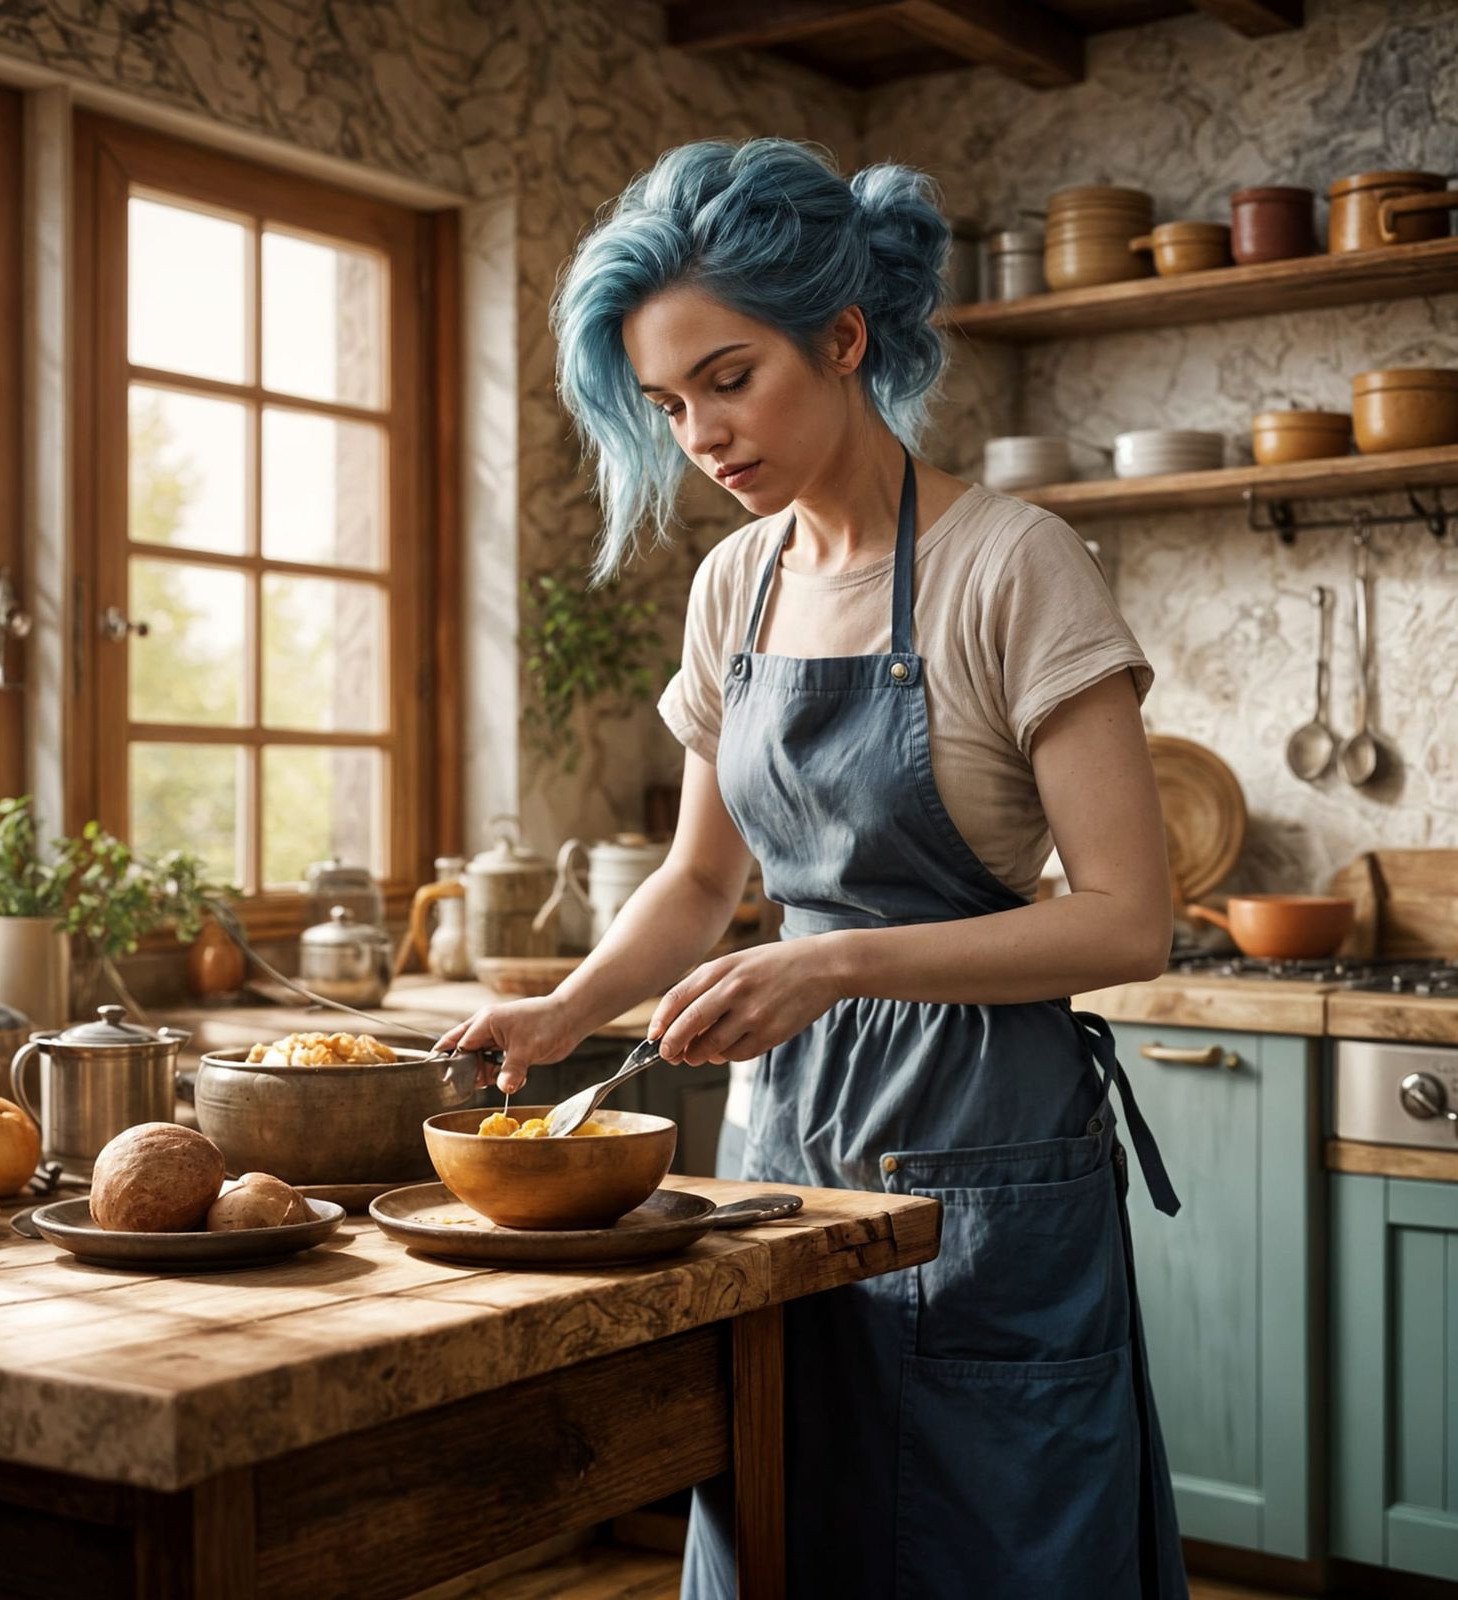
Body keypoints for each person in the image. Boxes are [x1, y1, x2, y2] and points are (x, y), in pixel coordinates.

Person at [436, 137, 1188, 1600]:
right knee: (795, 1526)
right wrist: (564, 1011)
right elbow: (699, 885)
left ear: (845, 340)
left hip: (990, 1148)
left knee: (995, 1545)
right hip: (783, 1152)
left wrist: (829, 961)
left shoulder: (1012, 564)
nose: (702, 436)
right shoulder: (738, 584)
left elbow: (1131, 919)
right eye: (667, 405)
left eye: (729, 378)